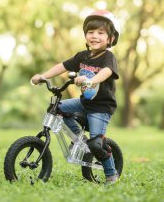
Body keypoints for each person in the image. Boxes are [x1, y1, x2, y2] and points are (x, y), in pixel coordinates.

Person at [31, 10, 121, 184]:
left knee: (97, 144)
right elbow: (63, 66)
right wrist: (44, 76)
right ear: (85, 35)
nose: (95, 36)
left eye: (101, 33)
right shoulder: (82, 56)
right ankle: (82, 140)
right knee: (57, 108)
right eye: (91, 32)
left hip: (101, 107)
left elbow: (107, 71)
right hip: (84, 102)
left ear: (110, 39)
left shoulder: (108, 57)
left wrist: (91, 80)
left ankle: (111, 174)